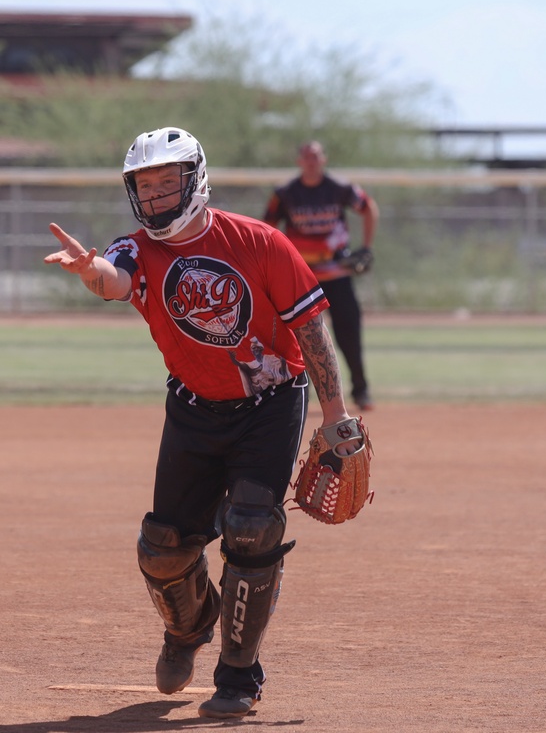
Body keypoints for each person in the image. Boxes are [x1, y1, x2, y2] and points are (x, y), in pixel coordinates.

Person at [44, 127, 362, 720]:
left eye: (168, 183)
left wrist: (336, 413)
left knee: (251, 527)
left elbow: (312, 330)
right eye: (146, 187)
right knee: (163, 550)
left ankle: (239, 676)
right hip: (193, 407)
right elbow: (113, 279)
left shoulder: (260, 242)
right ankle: (189, 629)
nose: (158, 196)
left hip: (270, 402)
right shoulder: (136, 250)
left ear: (195, 181)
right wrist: (91, 271)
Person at [263, 140, 379, 411]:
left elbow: (368, 208)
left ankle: (360, 391)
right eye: (306, 156)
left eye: (315, 156)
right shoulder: (285, 193)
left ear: (323, 159)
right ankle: (294, 396)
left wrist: (366, 247)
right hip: (302, 279)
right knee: (296, 340)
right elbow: (267, 228)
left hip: (337, 275)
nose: (311, 161)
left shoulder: (339, 188)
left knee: (349, 334)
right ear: (299, 162)